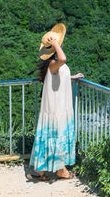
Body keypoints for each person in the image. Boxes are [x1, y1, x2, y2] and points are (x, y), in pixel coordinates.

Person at [30, 23, 83, 180]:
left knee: (51, 135)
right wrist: (54, 44)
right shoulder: (53, 63)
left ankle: (41, 170)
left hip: (58, 104)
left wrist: (72, 77)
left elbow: (59, 74)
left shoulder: (53, 65)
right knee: (56, 134)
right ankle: (61, 170)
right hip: (56, 107)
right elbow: (63, 59)